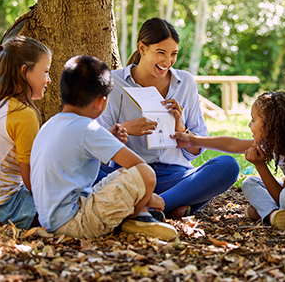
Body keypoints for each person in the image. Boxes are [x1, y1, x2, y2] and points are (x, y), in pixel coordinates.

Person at [97, 17, 240, 219]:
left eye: (173, 54)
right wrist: (125, 129)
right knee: (85, 170)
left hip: (175, 175)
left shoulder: (185, 83)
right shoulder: (113, 82)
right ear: (142, 48)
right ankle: (170, 207)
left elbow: (197, 148)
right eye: (161, 53)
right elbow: (98, 144)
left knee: (228, 166)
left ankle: (149, 209)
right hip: (130, 174)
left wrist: (182, 131)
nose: (167, 62)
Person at [30, 55, 177, 241]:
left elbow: (74, 160)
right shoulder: (87, 128)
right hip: (76, 223)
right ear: (101, 101)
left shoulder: (50, 125)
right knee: (146, 174)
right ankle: (138, 216)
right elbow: (140, 167)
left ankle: (134, 215)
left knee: (119, 175)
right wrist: (149, 198)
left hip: (50, 220)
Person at [173, 91, 285, 231]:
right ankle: (274, 216)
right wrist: (193, 139)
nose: (249, 125)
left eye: (253, 120)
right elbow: (232, 143)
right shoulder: (275, 142)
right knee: (250, 182)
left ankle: (279, 214)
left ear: (270, 126)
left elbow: (283, 197)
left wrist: (260, 166)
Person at [0, 36, 52, 229]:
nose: (49, 80)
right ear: (24, 71)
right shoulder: (23, 114)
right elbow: (32, 183)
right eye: (46, 71)